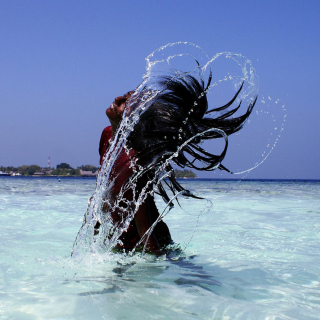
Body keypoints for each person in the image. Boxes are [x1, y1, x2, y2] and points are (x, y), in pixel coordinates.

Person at [97, 74, 257, 254]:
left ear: (137, 120)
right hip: (123, 244)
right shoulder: (107, 136)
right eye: (125, 95)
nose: (118, 99)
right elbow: (102, 194)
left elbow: (145, 229)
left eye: (127, 102)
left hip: (145, 244)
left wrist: (158, 269)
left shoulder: (136, 163)